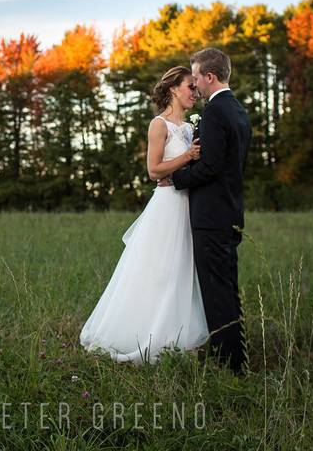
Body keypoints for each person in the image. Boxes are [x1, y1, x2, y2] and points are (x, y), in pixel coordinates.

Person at [79, 66, 209, 364]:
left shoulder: (190, 127)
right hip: (167, 207)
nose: (195, 92)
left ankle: (179, 338)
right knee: (159, 272)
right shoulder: (159, 125)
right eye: (190, 86)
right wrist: (187, 157)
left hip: (189, 205)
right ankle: (145, 334)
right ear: (174, 89)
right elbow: (153, 171)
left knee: (183, 273)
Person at [159, 47, 252, 375]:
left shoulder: (214, 113)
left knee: (216, 292)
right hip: (230, 213)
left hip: (210, 217)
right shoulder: (238, 110)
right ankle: (236, 355)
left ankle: (230, 364)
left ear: (210, 77)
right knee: (226, 287)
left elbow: (210, 166)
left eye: (196, 76)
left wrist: (179, 177)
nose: (194, 83)